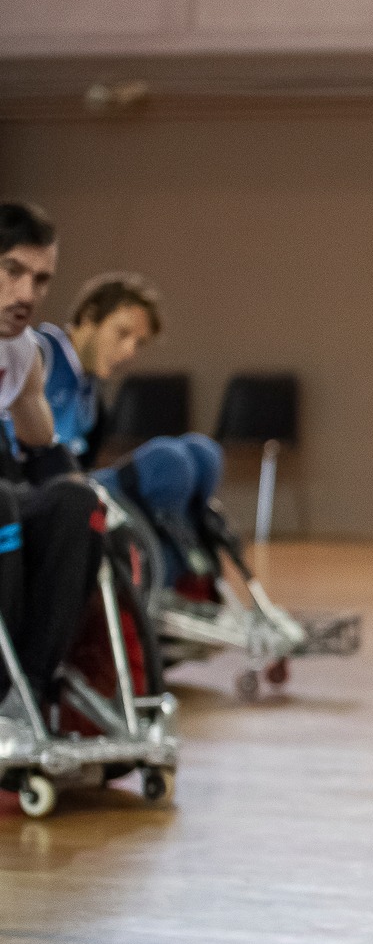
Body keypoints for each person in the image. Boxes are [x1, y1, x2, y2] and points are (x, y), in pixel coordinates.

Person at [33, 272, 224, 581]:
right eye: (122, 334)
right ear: (89, 316)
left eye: (138, 343)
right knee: (169, 461)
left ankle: (192, 575)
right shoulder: (40, 352)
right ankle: (168, 581)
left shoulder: (91, 390)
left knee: (203, 453)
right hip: (42, 490)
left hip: (77, 486)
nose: (129, 352)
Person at [0, 202, 102, 708]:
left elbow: (44, 448)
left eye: (41, 280)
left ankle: (29, 694)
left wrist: (98, 506)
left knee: (78, 509)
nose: (27, 295)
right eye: (12, 271)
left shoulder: (21, 352)